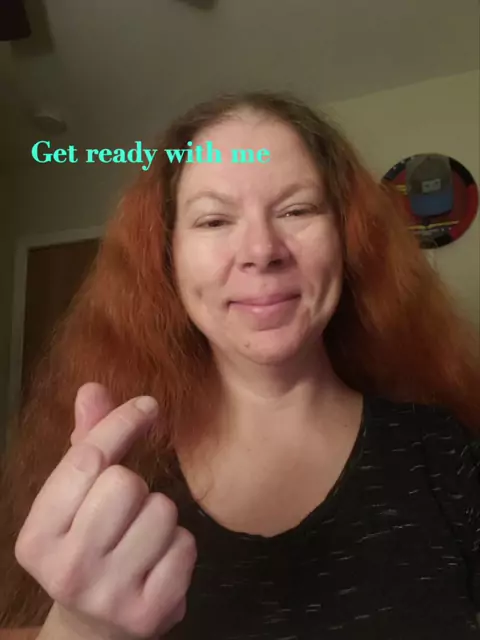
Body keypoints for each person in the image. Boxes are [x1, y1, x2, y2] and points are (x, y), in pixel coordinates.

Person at [0, 91, 479, 640]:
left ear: (347, 240)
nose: (261, 250)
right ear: (168, 259)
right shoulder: (119, 476)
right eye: (213, 220)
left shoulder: (444, 452)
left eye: (297, 210)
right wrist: (79, 625)